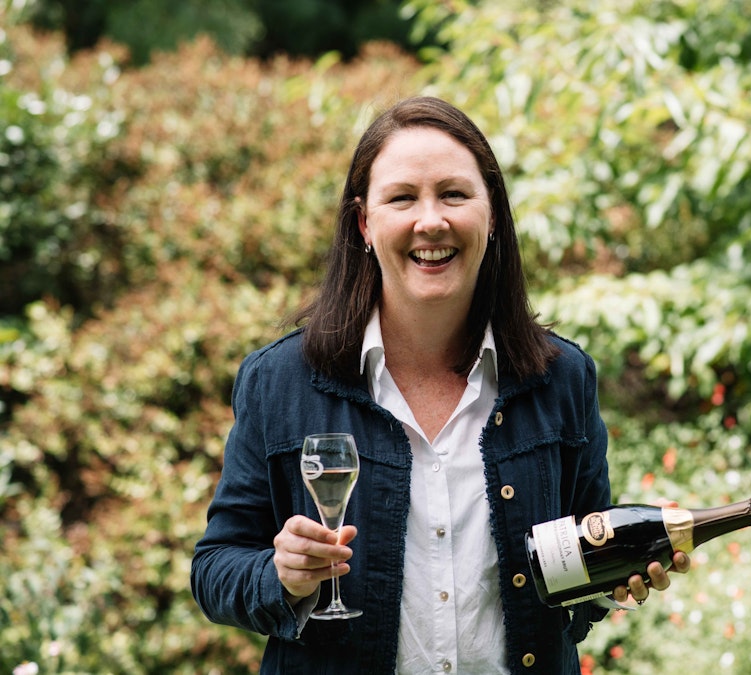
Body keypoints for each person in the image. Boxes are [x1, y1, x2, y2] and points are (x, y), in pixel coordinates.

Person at [191, 96, 690, 674]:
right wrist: (278, 575)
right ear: (365, 224)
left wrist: (611, 582)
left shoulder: (561, 378)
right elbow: (214, 570)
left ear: (492, 214)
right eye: (402, 198)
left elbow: (579, 557)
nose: (431, 220)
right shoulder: (280, 382)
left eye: (454, 194)